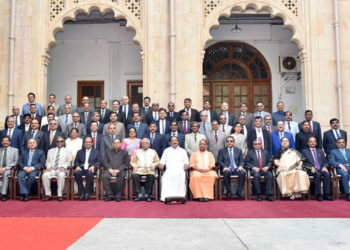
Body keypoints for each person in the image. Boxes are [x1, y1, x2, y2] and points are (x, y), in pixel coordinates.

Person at [301, 137, 333, 201]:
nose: (312, 143)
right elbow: (303, 163)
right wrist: (310, 167)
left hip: (321, 169)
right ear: (308, 143)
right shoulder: (304, 151)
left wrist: (324, 167)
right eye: (311, 141)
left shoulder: (320, 151)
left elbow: (325, 161)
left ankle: (326, 194)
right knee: (317, 174)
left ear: (316, 143)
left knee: (327, 174)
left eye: (314, 141)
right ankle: (318, 195)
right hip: (311, 170)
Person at [159, 136, 189, 202]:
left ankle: (180, 197)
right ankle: (166, 197)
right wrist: (161, 165)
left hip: (180, 170)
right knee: (165, 177)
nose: (174, 142)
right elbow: (162, 162)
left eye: (176, 140)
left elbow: (186, 163)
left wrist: (186, 166)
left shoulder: (183, 151)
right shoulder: (166, 151)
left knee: (180, 177)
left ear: (178, 142)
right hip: (169, 171)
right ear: (170, 143)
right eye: (172, 141)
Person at [42, 136, 72, 201]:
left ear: (63, 143)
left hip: (61, 169)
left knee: (61, 175)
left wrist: (64, 167)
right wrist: (48, 167)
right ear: (56, 142)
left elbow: (69, 162)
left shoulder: (68, 151)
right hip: (52, 169)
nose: (59, 142)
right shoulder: (50, 151)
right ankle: (48, 194)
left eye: (61, 141)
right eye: (58, 141)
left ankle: (60, 195)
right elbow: (48, 161)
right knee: (45, 175)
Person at [102, 138, 129, 202]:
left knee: (122, 176)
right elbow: (105, 162)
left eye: (118, 143)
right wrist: (110, 169)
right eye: (114, 143)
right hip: (110, 170)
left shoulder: (124, 152)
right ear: (112, 144)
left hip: (120, 170)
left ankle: (118, 195)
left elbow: (126, 163)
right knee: (104, 176)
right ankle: (109, 194)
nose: (116, 144)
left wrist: (118, 170)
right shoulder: (108, 151)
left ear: (120, 144)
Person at [0, 136, 19, 201]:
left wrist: (5, 168)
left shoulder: (15, 150)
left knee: (5, 174)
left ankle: (3, 194)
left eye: (6, 141)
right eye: (3, 141)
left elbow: (16, 162)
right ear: (1, 142)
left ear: (9, 142)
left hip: (9, 169)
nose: (5, 142)